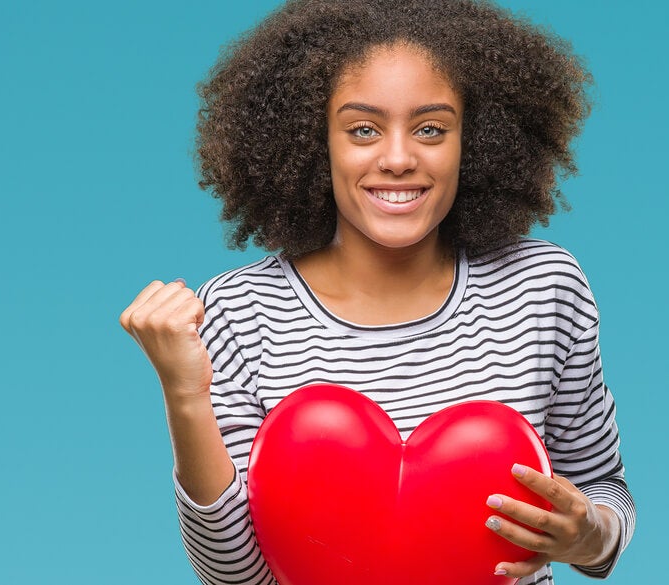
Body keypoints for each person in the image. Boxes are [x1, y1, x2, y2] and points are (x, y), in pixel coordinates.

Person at [119, 0, 635, 583]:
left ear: (477, 140)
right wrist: (184, 394)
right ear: (316, 143)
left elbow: (604, 491)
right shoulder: (240, 314)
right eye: (363, 129)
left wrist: (589, 534)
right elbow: (234, 575)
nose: (397, 158)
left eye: (431, 129)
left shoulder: (542, 289)